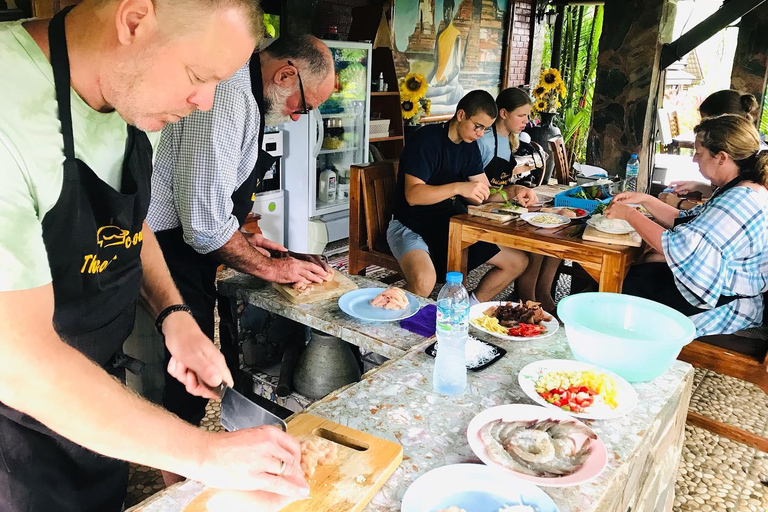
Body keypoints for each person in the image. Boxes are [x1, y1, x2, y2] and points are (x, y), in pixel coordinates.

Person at [0, 1, 309, 510]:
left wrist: (174, 315)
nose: (206, 103)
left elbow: (126, 222)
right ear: (134, 20)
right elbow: (20, 361)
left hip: (97, 405)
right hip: (17, 429)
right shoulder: (10, 112)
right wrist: (204, 454)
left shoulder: (127, 95)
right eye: (197, 75)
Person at [148, 35, 335, 482]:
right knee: (186, 379)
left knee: (208, 370)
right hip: (165, 245)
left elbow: (215, 203)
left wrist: (249, 242)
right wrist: (272, 267)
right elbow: (201, 223)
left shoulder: (249, 91)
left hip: (188, 242)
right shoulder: (228, 95)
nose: (296, 115)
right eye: (303, 106)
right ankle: (176, 489)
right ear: (286, 74)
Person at [606, 114, 768, 336]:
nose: (694, 159)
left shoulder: (741, 199)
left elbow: (679, 245)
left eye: (698, 153)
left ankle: (621, 344)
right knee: (640, 271)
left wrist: (629, 215)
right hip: (723, 291)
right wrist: (644, 199)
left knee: (628, 286)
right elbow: (686, 219)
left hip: (725, 304)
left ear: (721, 157)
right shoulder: (740, 187)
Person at [387, 90, 531, 301]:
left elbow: (483, 193)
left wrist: (513, 192)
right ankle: (388, 318)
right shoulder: (426, 140)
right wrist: (459, 187)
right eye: (478, 126)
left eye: (486, 129)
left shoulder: (469, 146)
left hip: (450, 227)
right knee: (424, 283)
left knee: (517, 261)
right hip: (409, 224)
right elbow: (413, 195)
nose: (480, 134)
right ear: (461, 115)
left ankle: (466, 309)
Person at [477, 87, 559, 312]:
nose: (527, 121)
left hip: (496, 207)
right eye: (521, 115)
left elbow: (501, 187)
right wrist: (510, 193)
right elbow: (478, 193)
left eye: (528, 115)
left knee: (546, 239)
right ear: (503, 113)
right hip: (478, 215)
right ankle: (527, 301)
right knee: (534, 243)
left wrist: (514, 193)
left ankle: (538, 297)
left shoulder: (508, 140)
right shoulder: (483, 141)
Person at [666, 89, 762, 200]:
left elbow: (727, 202)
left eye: (707, 120)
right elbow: (725, 191)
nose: (703, 125)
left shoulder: (747, 183)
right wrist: (697, 186)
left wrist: (679, 204)